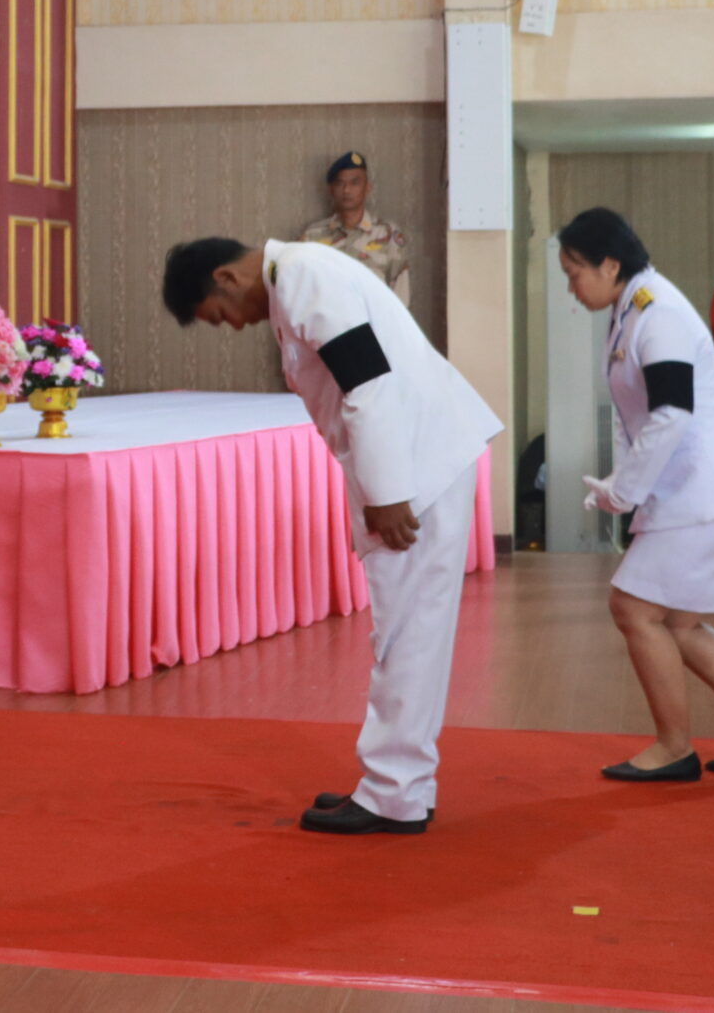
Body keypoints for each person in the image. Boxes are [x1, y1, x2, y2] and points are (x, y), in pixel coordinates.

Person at [164, 233, 501, 835]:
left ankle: (392, 793)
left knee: (405, 635)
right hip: (420, 459)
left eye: (219, 316)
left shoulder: (301, 276)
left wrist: (387, 493)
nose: (233, 327)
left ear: (226, 278)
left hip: (413, 469)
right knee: (412, 633)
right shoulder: (299, 273)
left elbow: (367, 382)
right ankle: (403, 785)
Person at [556, 207, 714, 783]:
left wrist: (626, 490)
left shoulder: (656, 311)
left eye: (574, 273)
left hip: (707, 491)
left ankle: (673, 748)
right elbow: (636, 413)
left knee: (633, 608)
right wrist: (622, 483)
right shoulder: (632, 308)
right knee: (679, 622)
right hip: (706, 488)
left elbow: (670, 413)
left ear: (610, 265)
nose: (571, 287)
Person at [300, 152, 415, 306]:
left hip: (372, 319)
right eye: (340, 183)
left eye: (354, 183)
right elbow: (301, 290)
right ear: (331, 190)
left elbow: (401, 295)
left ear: (367, 188)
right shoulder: (312, 236)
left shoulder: (387, 233)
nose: (347, 190)